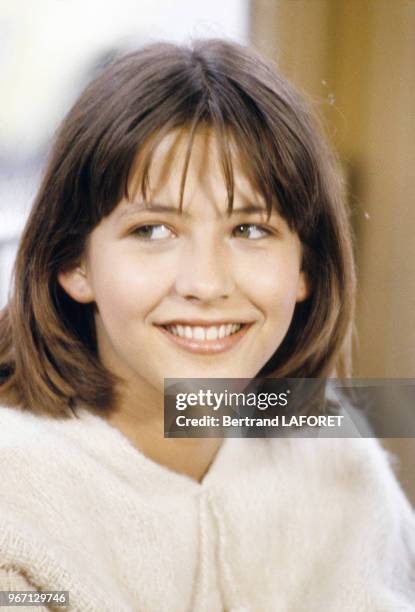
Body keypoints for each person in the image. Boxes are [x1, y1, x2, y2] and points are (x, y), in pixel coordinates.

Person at [0, 39, 414, 612]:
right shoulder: (13, 496)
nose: (206, 282)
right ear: (73, 263)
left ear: (305, 268)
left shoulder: (339, 460)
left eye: (250, 230)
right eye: (152, 231)